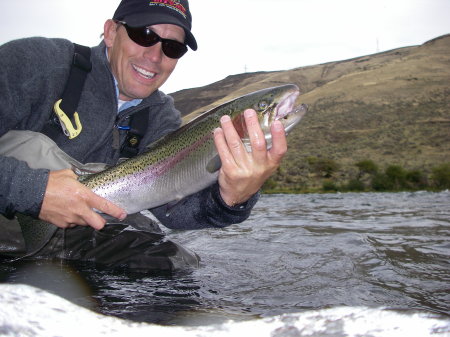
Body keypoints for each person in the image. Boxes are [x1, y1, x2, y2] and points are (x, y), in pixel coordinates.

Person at [0, 0, 288, 271]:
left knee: (175, 265)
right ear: (111, 32)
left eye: (173, 47)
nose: (155, 56)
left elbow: (173, 211)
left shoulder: (161, 117)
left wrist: (231, 199)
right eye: (144, 34)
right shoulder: (36, 63)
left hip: (77, 232)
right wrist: (34, 191)